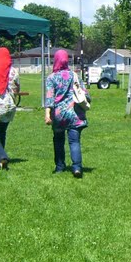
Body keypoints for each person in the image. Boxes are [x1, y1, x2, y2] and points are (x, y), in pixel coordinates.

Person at [44, 49, 88, 178]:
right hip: (74, 113)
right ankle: (77, 168)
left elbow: (50, 98)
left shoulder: (51, 78)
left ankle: (59, 166)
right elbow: (84, 92)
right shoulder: (74, 75)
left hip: (59, 115)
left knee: (58, 140)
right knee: (74, 141)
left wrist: (47, 114)